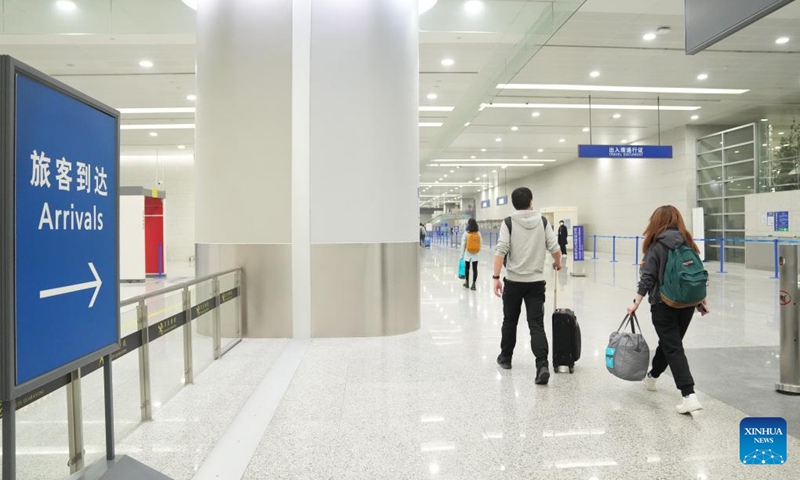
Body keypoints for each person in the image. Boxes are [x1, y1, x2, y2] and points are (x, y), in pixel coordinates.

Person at [627, 205, 710, 414]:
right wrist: (701, 300)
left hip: (663, 304)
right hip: (687, 305)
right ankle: (652, 377)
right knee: (670, 342)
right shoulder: (688, 241)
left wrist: (635, 302)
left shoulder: (656, 246)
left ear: (656, 221)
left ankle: (688, 394)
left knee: (672, 346)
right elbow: (697, 273)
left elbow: (648, 278)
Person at [493, 187, 561, 385]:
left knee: (510, 321)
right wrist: (558, 262)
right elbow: (555, 248)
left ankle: (505, 358)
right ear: (531, 200)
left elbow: (501, 251)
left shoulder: (508, 222)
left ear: (513, 203)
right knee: (536, 325)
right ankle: (542, 365)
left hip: (513, 282)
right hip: (536, 283)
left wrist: (496, 277)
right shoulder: (543, 221)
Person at [460, 218, 481, 291]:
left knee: (467, 268)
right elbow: (480, 242)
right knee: (475, 269)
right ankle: (474, 284)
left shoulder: (466, 233)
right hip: (475, 254)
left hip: (467, 253)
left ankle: (467, 282)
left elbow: (463, 244)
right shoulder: (478, 233)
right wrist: (478, 251)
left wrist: (461, 255)